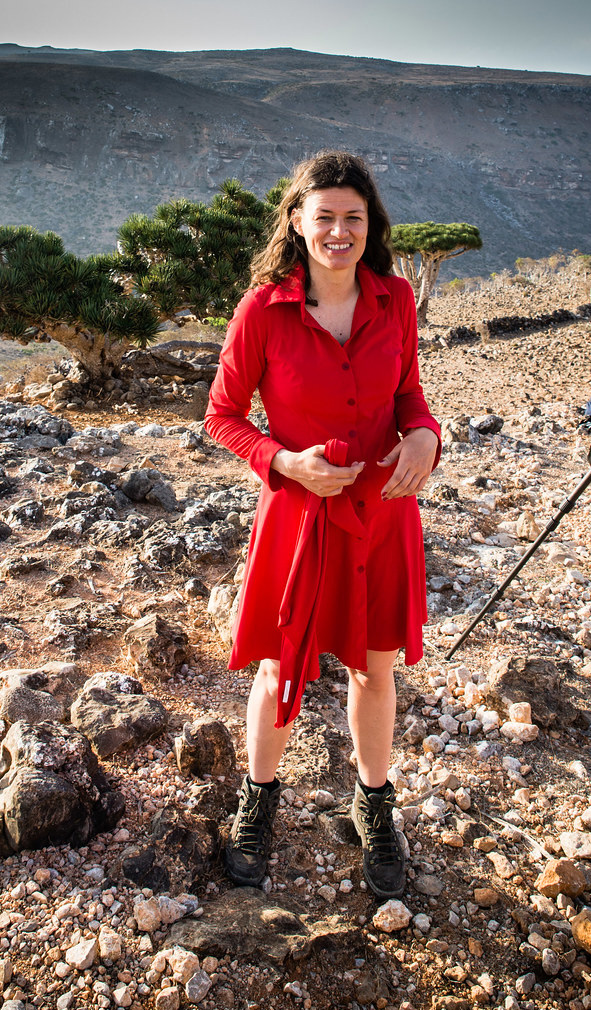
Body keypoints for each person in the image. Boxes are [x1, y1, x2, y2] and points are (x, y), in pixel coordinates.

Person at [203, 151, 441, 899]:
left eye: (354, 219)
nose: (339, 231)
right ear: (298, 222)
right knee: (280, 668)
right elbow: (222, 417)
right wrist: (285, 462)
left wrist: (426, 436)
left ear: (371, 228)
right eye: (325, 216)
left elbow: (409, 397)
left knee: (375, 670)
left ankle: (375, 805)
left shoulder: (396, 299)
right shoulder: (263, 310)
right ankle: (258, 799)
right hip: (298, 514)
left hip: (383, 512)